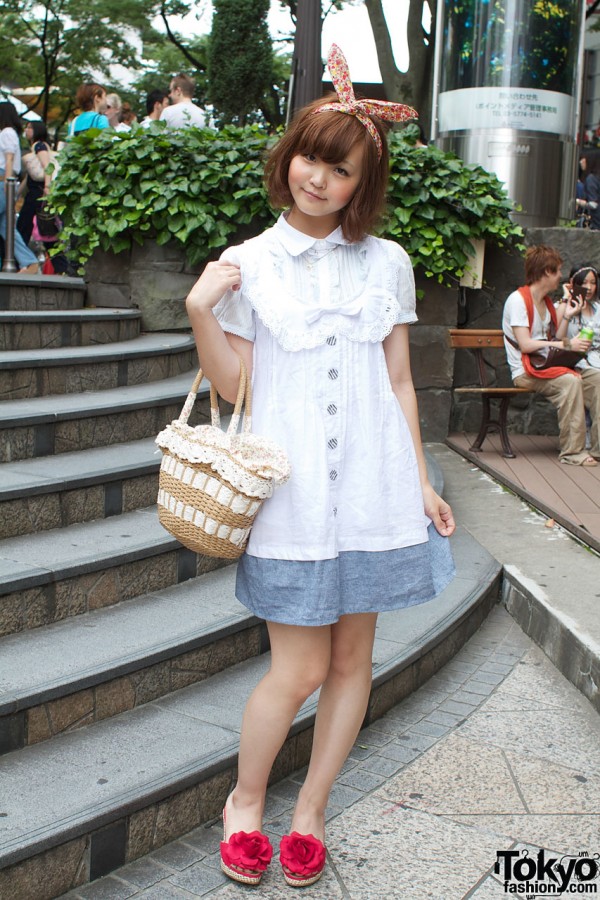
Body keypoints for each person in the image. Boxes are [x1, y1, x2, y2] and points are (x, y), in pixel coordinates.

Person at [185, 44, 455, 888]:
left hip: (373, 491)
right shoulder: (248, 263)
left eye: (339, 170)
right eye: (310, 158)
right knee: (297, 666)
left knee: (350, 664)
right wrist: (201, 306)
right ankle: (245, 801)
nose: (318, 179)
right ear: (289, 156)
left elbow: (400, 381)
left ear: (359, 184)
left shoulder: (388, 263)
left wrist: (418, 480)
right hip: (294, 497)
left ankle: (311, 812)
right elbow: (234, 387)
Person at [502, 245, 600, 466]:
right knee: (570, 382)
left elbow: (557, 335)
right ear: (546, 271)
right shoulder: (518, 301)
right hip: (526, 370)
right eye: (557, 272)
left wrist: (568, 311)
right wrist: (568, 344)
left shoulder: (546, 302)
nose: (560, 278)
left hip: (546, 365)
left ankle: (598, 448)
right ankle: (572, 452)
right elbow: (526, 345)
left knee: (596, 379)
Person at [0, 101, 40, 274]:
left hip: (2, 181)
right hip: (6, 182)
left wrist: (7, 185)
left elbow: (8, 159)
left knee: (6, 227)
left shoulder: (6, 133)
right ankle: (30, 261)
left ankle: (29, 261)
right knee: (6, 228)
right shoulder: (11, 133)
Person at [556, 264, 600, 370]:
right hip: (574, 364)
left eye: (593, 283)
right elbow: (556, 338)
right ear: (573, 283)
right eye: (584, 283)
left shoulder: (597, 307)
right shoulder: (561, 306)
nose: (589, 288)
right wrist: (566, 298)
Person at [17, 120, 53, 246]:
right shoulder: (38, 147)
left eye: (30, 128)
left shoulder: (39, 146)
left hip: (38, 193)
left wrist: (47, 187)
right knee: (46, 229)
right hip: (37, 192)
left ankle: (22, 261)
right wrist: (17, 194)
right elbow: (29, 177)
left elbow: (47, 166)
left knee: (23, 227)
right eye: (26, 127)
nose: (27, 130)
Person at [581, 150, 600, 230]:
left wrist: (578, 202)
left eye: (583, 159)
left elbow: (593, 204)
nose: (581, 162)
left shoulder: (591, 179)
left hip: (597, 223)